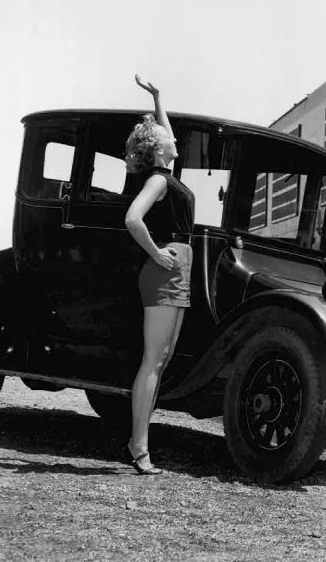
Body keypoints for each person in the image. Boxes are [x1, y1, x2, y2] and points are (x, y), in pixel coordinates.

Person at [122, 74, 195, 475]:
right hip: (165, 272)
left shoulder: (168, 172)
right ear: (158, 150)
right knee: (153, 360)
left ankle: (139, 440)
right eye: (167, 139)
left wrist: (158, 97)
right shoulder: (157, 179)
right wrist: (156, 253)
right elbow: (133, 219)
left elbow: (164, 133)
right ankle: (139, 445)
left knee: (162, 359)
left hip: (177, 270)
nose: (174, 138)